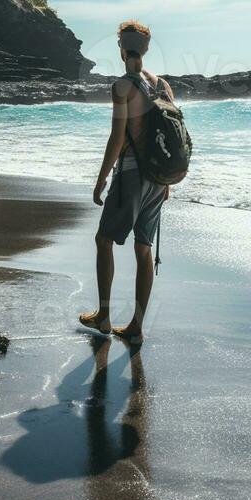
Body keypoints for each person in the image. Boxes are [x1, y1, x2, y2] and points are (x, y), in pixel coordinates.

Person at [79, 20, 173, 344]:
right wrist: (166, 183)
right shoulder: (162, 85)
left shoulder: (122, 86)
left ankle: (104, 316)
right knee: (143, 249)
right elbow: (169, 140)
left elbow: (117, 138)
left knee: (104, 240)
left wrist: (101, 179)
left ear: (121, 49)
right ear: (145, 50)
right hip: (158, 180)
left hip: (131, 175)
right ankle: (136, 325)